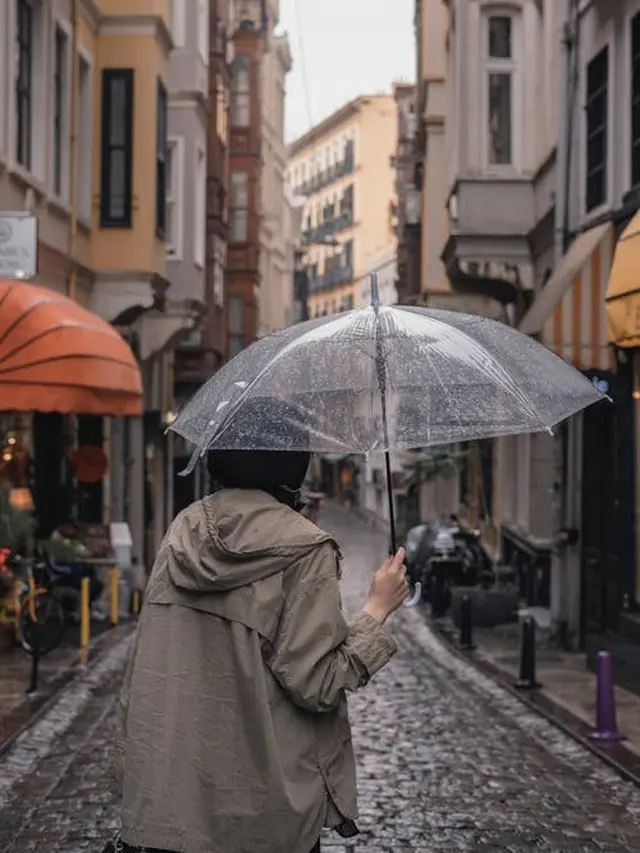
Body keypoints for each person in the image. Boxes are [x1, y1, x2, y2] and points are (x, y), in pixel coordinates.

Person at [114, 405, 408, 853]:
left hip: (169, 806)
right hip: (263, 815)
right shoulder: (305, 549)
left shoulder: (182, 532)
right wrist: (376, 609)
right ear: (293, 465)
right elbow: (317, 683)